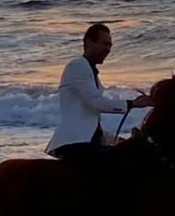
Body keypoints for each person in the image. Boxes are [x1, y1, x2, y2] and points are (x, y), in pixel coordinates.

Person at [45, 23, 152, 160]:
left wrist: (116, 140)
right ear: (89, 42)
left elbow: (89, 122)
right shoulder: (77, 65)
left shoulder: (90, 71)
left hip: (85, 141)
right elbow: (97, 103)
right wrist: (133, 103)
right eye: (104, 44)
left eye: (110, 46)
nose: (108, 49)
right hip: (75, 143)